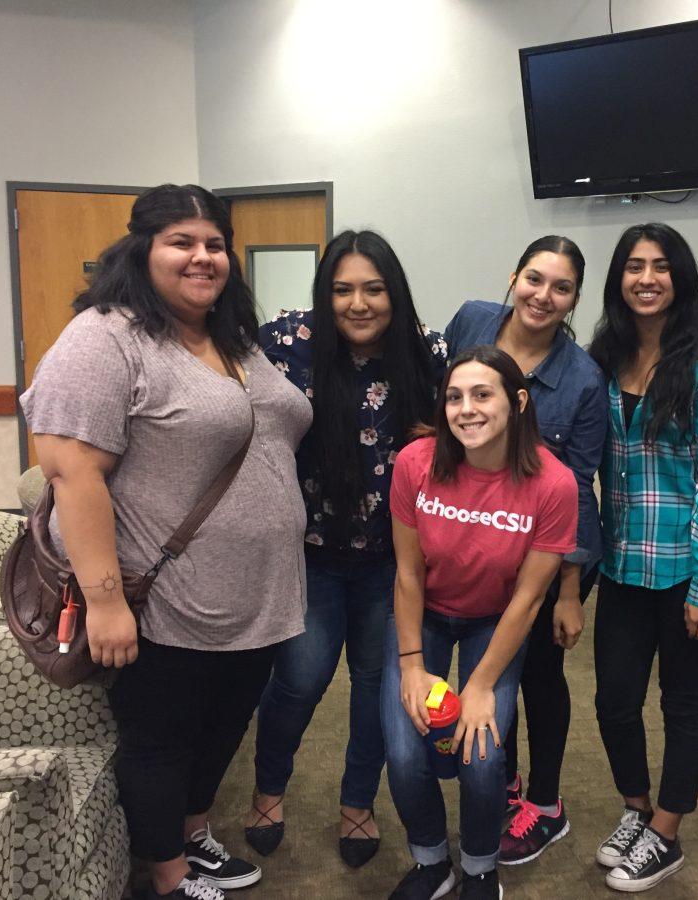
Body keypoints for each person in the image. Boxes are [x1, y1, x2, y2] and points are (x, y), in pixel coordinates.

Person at [20, 184, 312, 900]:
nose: (202, 257)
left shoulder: (231, 335)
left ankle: (192, 836)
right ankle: (168, 879)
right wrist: (107, 603)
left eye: (214, 243)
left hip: (256, 596)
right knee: (162, 740)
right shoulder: (105, 338)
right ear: (142, 249)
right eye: (182, 241)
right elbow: (72, 472)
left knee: (221, 731)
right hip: (163, 598)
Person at [244, 230, 446, 866]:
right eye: (343, 289)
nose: (359, 303)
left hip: (394, 561)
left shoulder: (428, 351)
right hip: (311, 554)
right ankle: (268, 786)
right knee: (300, 678)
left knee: (374, 687)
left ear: (395, 291)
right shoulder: (286, 344)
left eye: (374, 289)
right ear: (324, 293)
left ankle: (358, 801)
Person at [382, 346, 579, 900]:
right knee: (403, 748)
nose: (465, 409)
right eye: (454, 396)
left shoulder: (553, 484)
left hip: (494, 620)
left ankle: (478, 867)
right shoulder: (416, 463)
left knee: (481, 754)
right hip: (422, 613)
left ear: (517, 402)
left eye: (481, 394)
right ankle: (429, 861)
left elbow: (528, 600)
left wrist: (481, 685)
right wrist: (413, 666)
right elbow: (407, 572)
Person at [443, 235, 607, 865]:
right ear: (513, 276)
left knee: (538, 672)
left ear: (573, 300)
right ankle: (505, 782)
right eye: (535, 279)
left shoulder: (582, 379)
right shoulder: (472, 320)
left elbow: (580, 490)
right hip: (480, 538)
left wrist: (569, 592)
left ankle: (546, 803)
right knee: (493, 666)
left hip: (550, 549)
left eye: (561, 287)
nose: (543, 295)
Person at [588, 222, 698, 893]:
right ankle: (636, 809)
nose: (646, 278)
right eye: (632, 266)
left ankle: (667, 833)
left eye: (660, 266)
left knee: (682, 704)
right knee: (615, 702)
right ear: (618, 279)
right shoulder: (599, 358)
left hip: (687, 570)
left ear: (681, 278)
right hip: (622, 565)